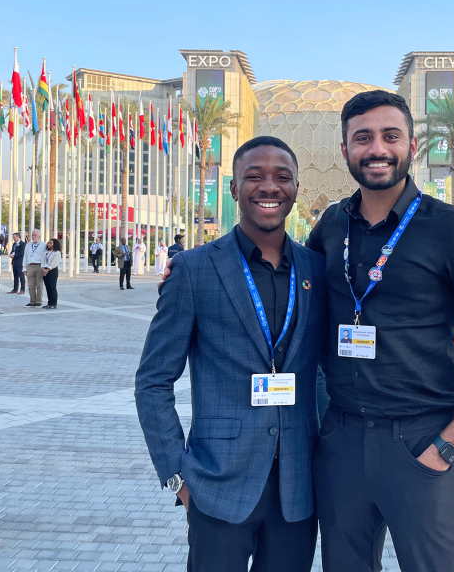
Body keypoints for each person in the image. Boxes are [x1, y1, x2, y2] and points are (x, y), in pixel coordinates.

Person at [304, 90, 454, 572]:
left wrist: (446, 449)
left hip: (424, 440)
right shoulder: (330, 226)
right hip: (341, 442)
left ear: (411, 145)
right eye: (362, 138)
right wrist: (193, 270)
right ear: (345, 150)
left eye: (391, 136)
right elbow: (286, 283)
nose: (377, 149)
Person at [136, 136, 328, 572]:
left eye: (282, 177)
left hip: (299, 487)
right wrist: (177, 475)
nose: (269, 187)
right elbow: (152, 381)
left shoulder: (316, 269)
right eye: (254, 176)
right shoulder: (195, 269)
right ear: (234, 189)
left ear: (296, 187)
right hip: (216, 483)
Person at [23, 230, 47, 307]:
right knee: (31, 285)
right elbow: (25, 257)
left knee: (39, 285)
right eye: (32, 235)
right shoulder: (28, 245)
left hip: (39, 265)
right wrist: (24, 268)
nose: (33, 237)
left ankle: (39, 301)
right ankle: (32, 301)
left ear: (39, 236)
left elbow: (45, 257)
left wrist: (44, 267)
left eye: (35, 235)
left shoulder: (44, 245)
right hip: (30, 266)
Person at [42, 238, 62, 310]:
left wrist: (48, 269)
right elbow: (43, 261)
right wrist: (43, 269)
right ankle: (49, 303)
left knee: (52, 287)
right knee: (47, 287)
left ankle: (54, 303)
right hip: (45, 270)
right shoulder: (46, 252)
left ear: (54, 244)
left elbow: (54, 263)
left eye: (51, 243)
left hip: (52, 271)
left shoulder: (57, 253)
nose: (49, 244)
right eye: (48, 243)